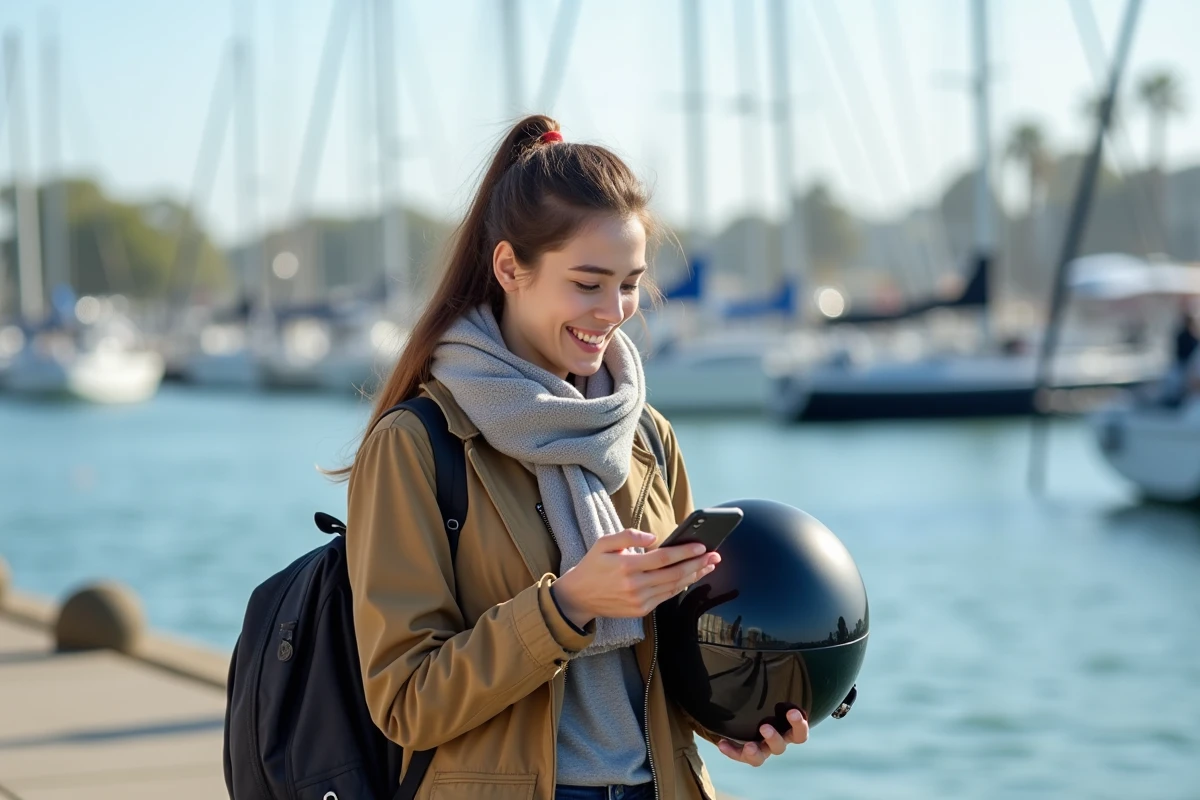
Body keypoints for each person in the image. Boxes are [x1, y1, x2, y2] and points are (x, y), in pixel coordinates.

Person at [338, 115, 809, 800]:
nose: (613, 310)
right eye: (588, 283)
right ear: (510, 268)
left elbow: (668, 657)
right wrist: (566, 607)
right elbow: (407, 703)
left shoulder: (646, 435)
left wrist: (733, 717)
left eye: (629, 283)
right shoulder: (417, 445)